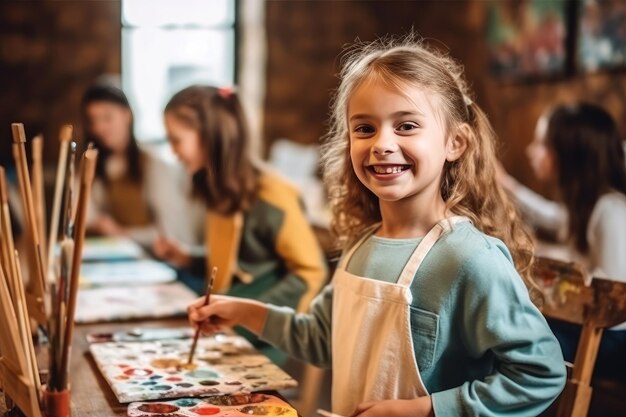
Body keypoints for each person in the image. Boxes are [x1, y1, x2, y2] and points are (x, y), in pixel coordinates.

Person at [187, 37, 566, 417]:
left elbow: (539, 374)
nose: (383, 143)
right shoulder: (361, 245)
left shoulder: (468, 258)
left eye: (406, 126)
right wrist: (241, 311)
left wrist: (425, 409)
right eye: (365, 129)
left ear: (456, 142)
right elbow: (320, 339)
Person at [156, 85, 327, 362]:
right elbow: (235, 265)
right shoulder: (217, 190)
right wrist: (188, 257)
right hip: (225, 331)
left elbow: (310, 272)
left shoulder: (273, 194)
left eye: (176, 140)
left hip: (258, 343)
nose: (173, 151)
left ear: (210, 136)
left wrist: (249, 317)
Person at [499, 102, 626, 378]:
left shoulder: (611, 211)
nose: (530, 150)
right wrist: (507, 185)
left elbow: (614, 296)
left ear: (569, 154)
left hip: (613, 338)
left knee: (522, 341)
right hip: (598, 330)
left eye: (541, 143)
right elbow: (555, 219)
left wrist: (548, 264)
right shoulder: (589, 204)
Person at [82, 82, 203, 248]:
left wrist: (120, 233)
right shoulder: (97, 165)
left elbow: (171, 234)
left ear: (126, 115)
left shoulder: (154, 165)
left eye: (107, 118)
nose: (99, 127)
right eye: (93, 120)